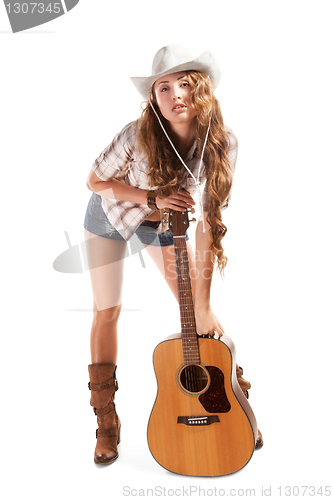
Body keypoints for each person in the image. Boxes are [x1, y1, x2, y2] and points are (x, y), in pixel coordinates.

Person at [83, 44, 263, 466]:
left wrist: (202, 303)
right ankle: (107, 422)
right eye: (164, 87)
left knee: (203, 315)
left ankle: (236, 408)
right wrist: (152, 196)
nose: (175, 93)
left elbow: (207, 223)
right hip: (112, 215)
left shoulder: (221, 143)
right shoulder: (135, 134)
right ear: (154, 98)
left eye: (185, 83)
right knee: (106, 310)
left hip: (171, 225)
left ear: (202, 90)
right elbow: (94, 181)